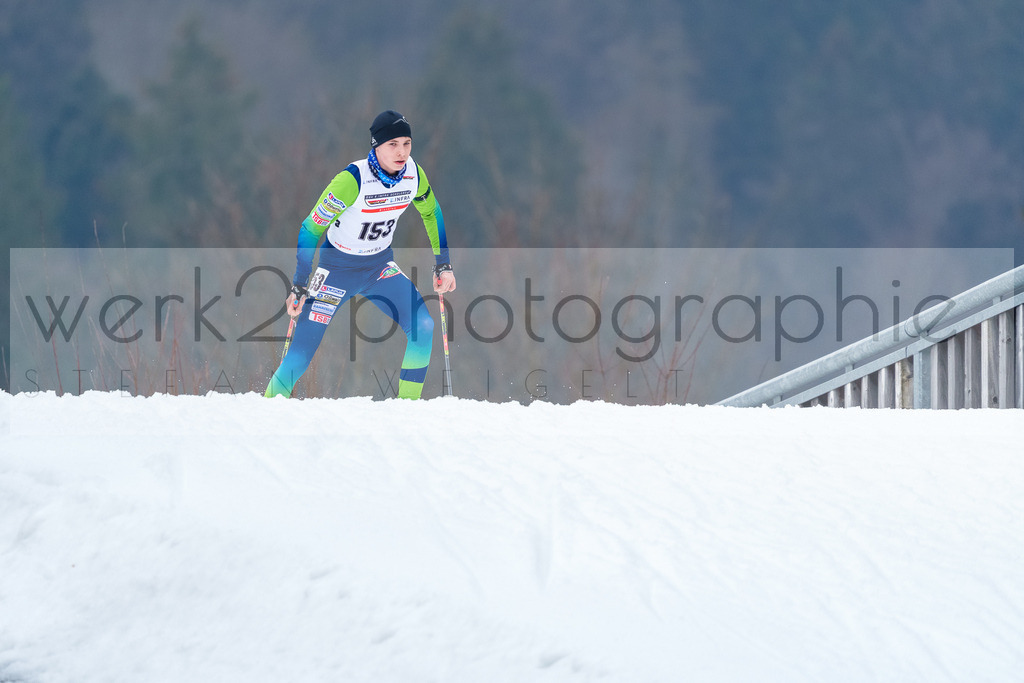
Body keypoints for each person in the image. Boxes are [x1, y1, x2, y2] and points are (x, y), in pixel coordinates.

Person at [264, 110, 456, 399]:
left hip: (379, 268)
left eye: (407, 143)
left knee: (424, 327)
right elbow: (310, 229)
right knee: (301, 354)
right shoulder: (352, 180)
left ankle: (408, 410)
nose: (402, 152)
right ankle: (266, 410)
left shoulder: (414, 175)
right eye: (393, 144)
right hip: (336, 271)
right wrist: (300, 284)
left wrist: (443, 265)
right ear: (376, 146)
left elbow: (431, 212)